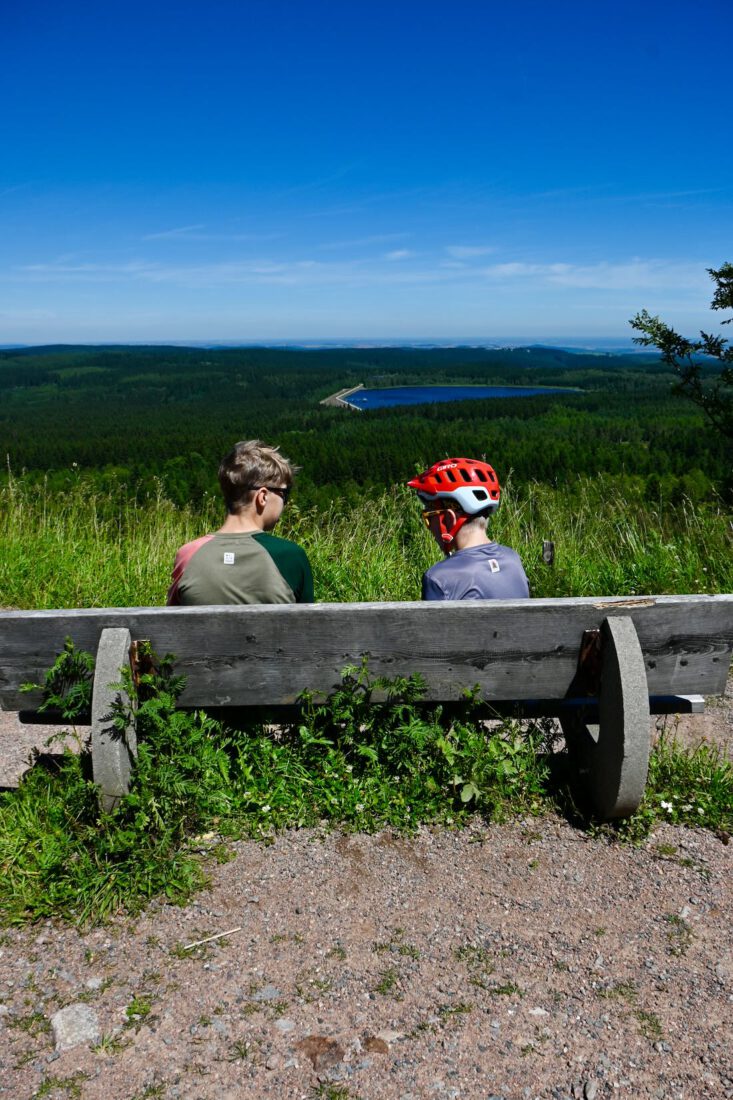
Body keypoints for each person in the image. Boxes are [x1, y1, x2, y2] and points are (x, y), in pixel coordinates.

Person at [167, 439, 313, 606]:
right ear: (263, 497)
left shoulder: (187, 555)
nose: (285, 502)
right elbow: (309, 626)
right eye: (284, 494)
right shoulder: (291, 556)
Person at [407, 457, 529, 601]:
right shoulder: (513, 560)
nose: (429, 527)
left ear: (448, 518)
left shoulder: (438, 578)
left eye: (429, 516)